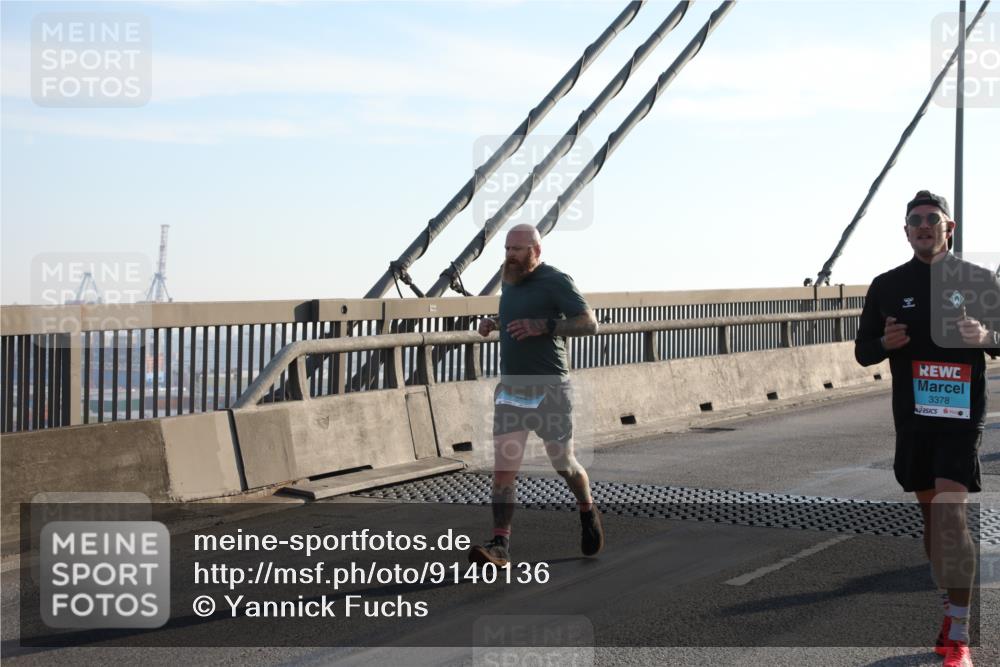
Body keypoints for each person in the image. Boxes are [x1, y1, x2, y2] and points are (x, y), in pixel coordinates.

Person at [855, 190, 1000, 667]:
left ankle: (958, 636)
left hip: (961, 417)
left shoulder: (978, 280)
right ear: (906, 231)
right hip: (914, 418)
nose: (923, 225)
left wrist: (986, 338)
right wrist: (884, 341)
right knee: (932, 521)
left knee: (950, 516)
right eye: (914, 219)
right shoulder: (887, 284)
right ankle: (948, 609)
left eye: (932, 219)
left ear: (948, 228)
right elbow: (863, 351)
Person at [468, 223, 602, 567]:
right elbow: (513, 316)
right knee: (503, 471)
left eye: (517, 250)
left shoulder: (557, 281)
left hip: (550, 389)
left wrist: (544, 326)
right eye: (507, 249)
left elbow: (589, 323)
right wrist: (493, 323)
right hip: (512, 390)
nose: (510, 256)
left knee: (564, 463)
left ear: (536, 251)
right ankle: (500, 546)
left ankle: (586, 509)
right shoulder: (508, 279)